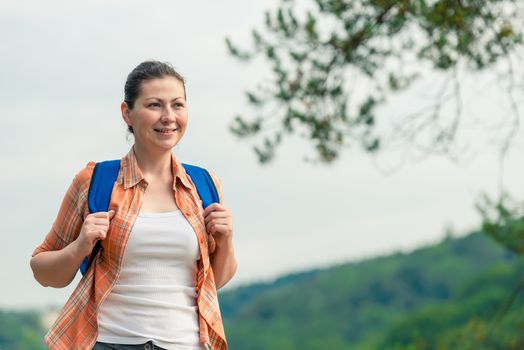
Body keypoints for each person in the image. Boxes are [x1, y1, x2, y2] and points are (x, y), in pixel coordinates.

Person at [30, 60, 237, 350]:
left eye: (177, 105)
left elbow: (216, 280)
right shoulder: (95, 181)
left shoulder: (203, 185)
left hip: (187, 343)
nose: (168, 117)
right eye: (154, 105)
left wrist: (225, 240)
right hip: (109, 342)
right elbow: (42, 271)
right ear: (127, 113)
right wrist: (80, 246)